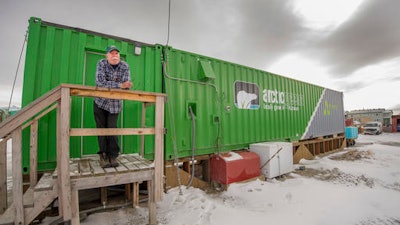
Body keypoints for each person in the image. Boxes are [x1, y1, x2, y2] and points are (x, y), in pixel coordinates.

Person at [94, 45, 133, 168]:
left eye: (117, 53)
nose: (114, 55)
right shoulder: (101, 64)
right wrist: (120, 85)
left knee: (112, 128)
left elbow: (127, 85)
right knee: (101, 129)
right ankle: (103, 155)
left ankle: (113, 156)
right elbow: (100, 83)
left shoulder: (124, 66)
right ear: (107, 56)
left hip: (115, 103)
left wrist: (119, 86)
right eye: (112, 54)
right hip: (100, 101)